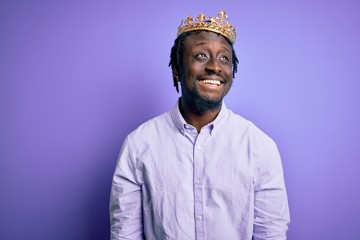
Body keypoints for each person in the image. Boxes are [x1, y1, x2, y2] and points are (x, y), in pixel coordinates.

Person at [110, 10, 290, 240]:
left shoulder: (260, 147)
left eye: (224, 58)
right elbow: (124, 235)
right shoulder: (138, 145)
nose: (215, 66)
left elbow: (271, 235)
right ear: (176, 70)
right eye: (201, 55)